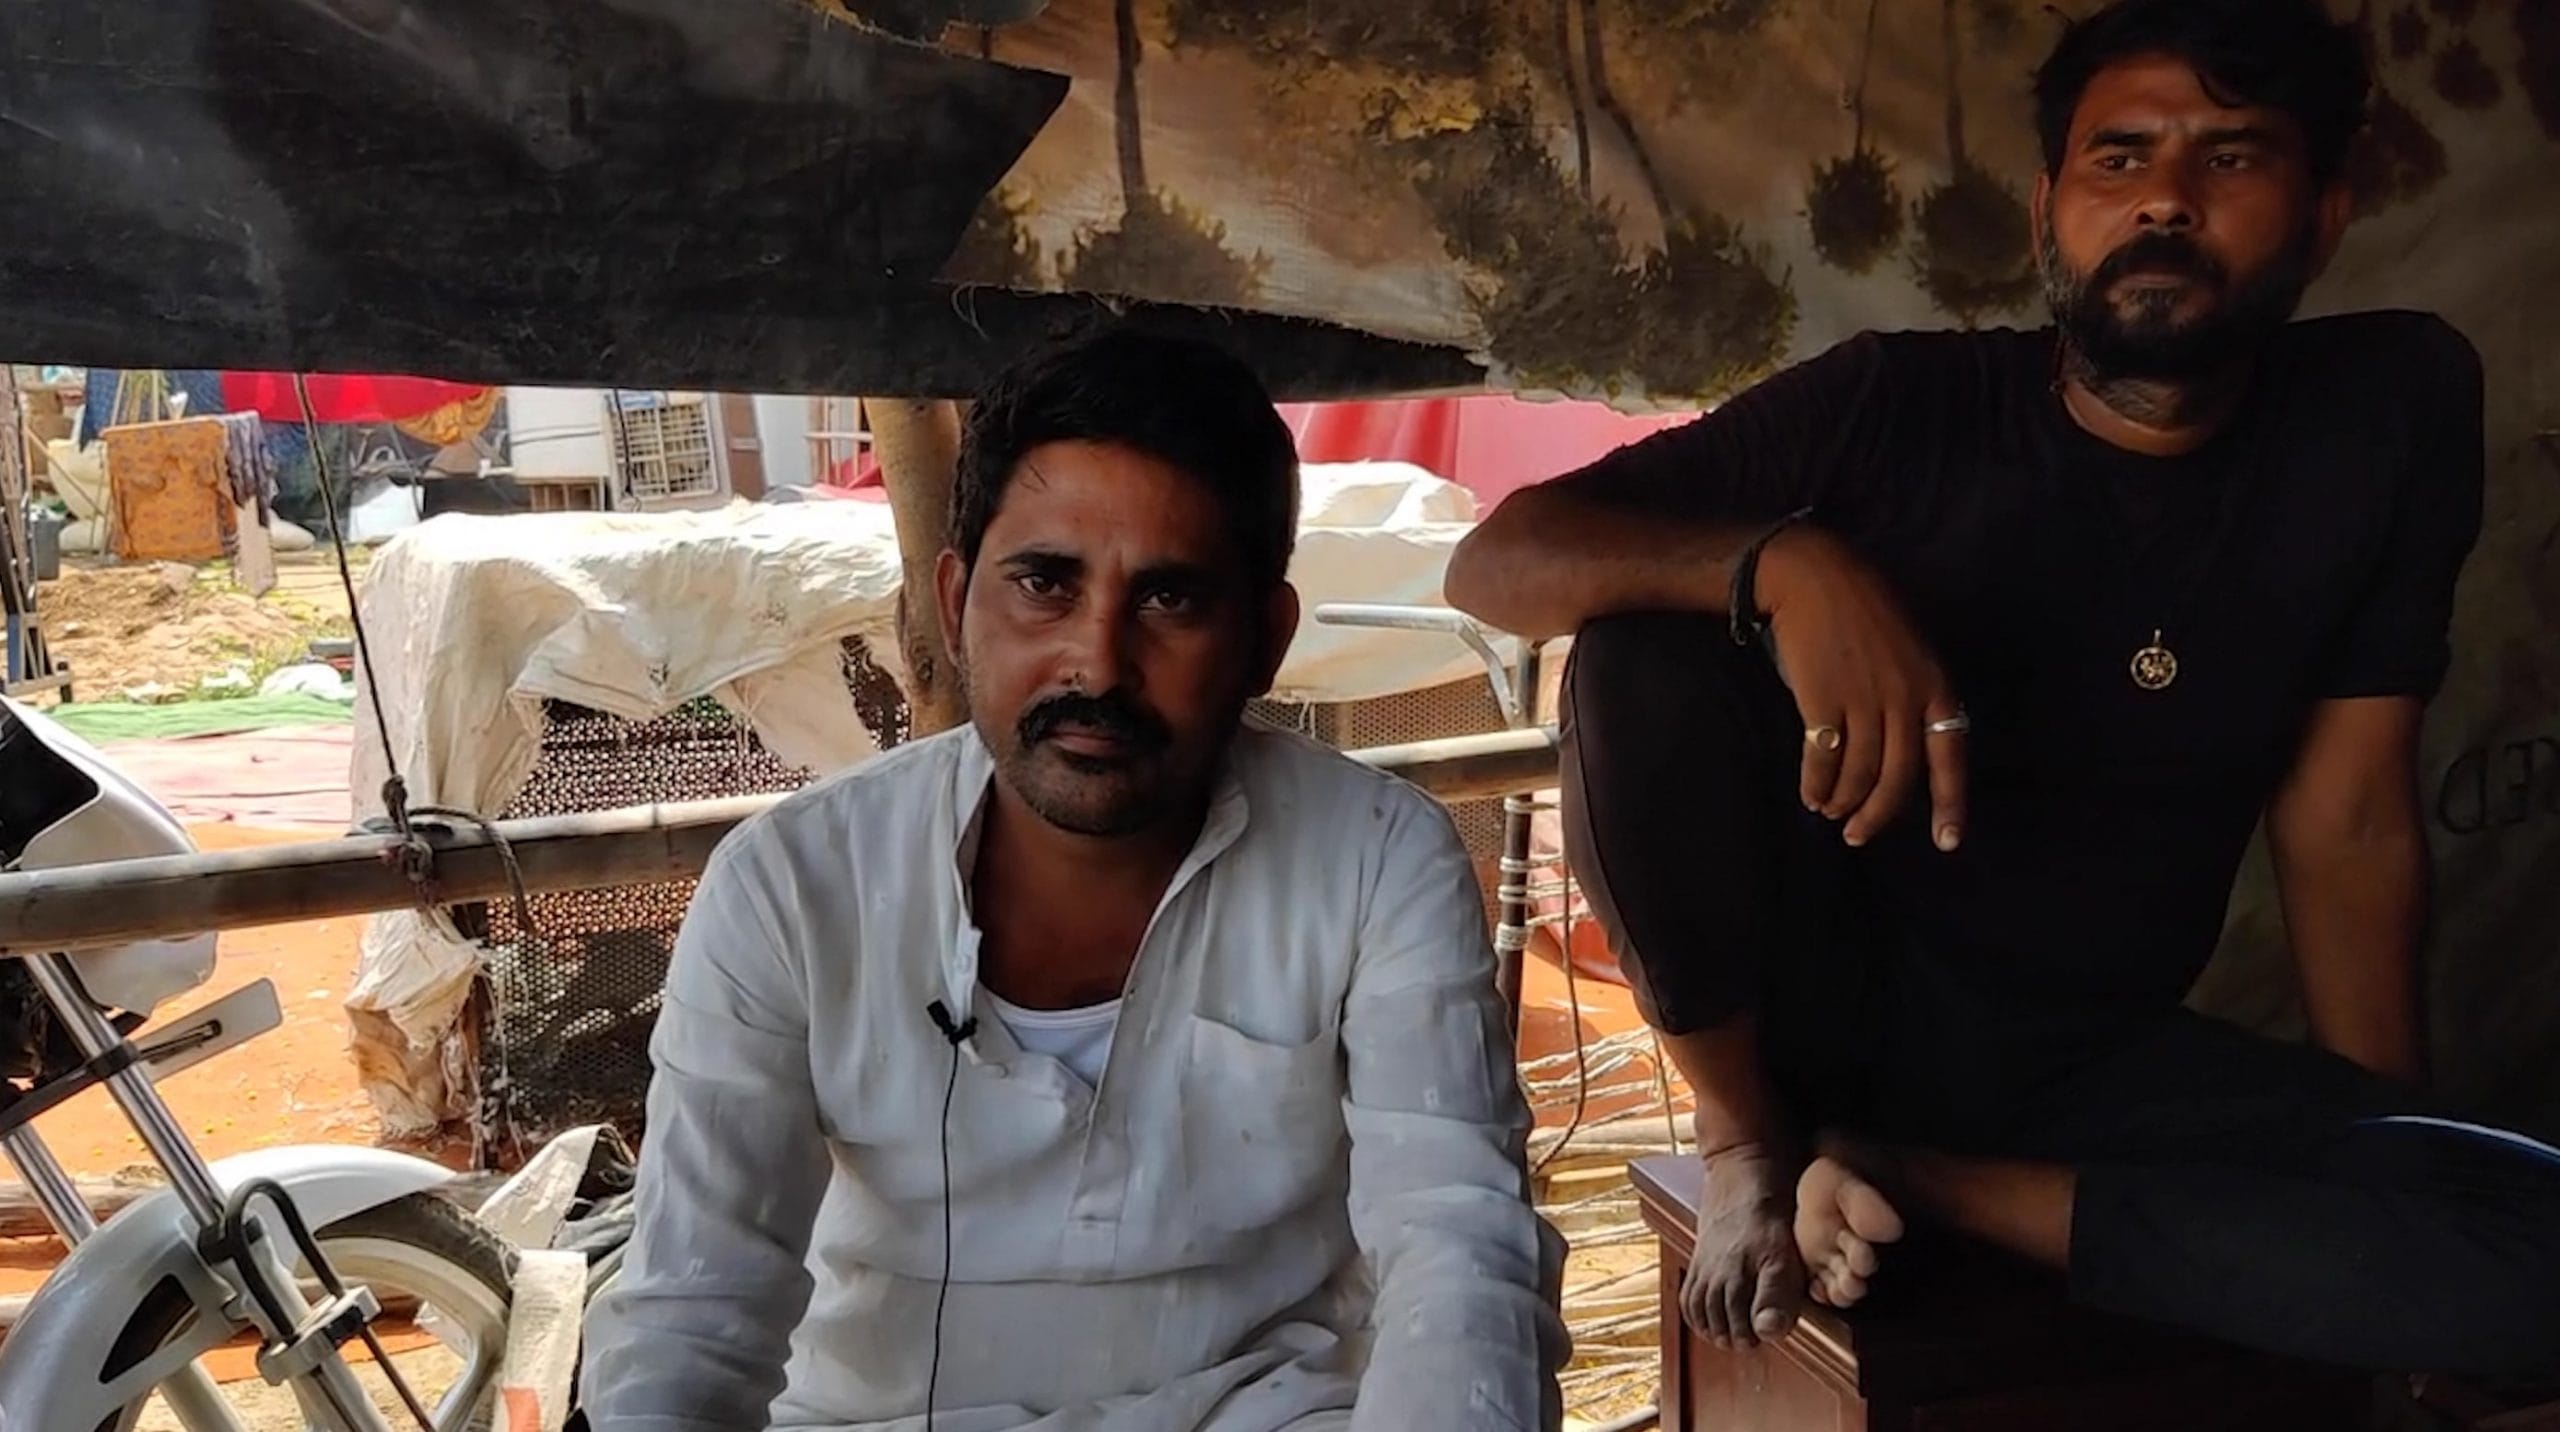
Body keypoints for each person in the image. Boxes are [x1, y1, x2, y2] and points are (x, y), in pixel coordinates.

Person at [1446, 0, 2560, 1382]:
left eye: (2229, 158)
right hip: (1822, 1035)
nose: (2164, 196)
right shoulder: (1893, 410)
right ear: (2050, 211)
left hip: (2098, 1069)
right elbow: (1498, 563)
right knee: (1636, 652)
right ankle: (1753, 1152)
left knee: (2534, 1235)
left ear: (2325, 212)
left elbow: (2350, 817)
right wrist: (1787, 567)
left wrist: (2380, 1159)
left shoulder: (2388, 409)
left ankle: (1920, 1181)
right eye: (2120, 158)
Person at [581, 327, 1567, 1431]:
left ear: (1264, 640)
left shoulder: (1376, 861)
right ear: (954, 599)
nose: (1098, 662)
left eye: (1170, 600)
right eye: (1045, 583)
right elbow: (691, 1317)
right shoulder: (790, 890)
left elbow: (1457, 1249)